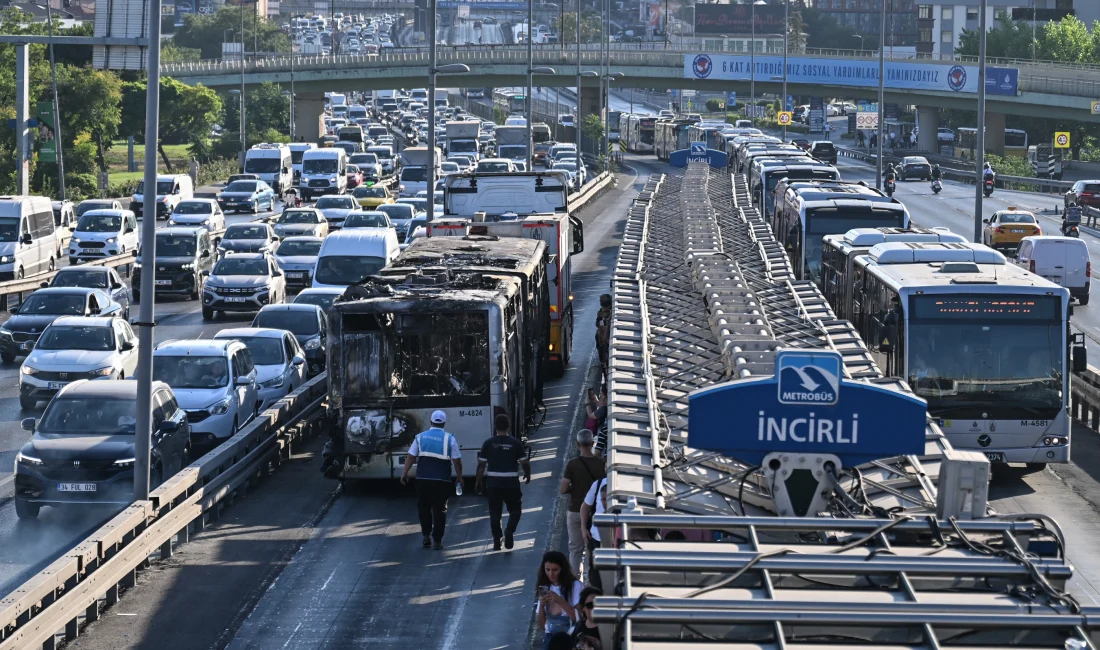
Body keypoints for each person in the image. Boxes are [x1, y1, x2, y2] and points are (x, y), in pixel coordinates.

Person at [400, 410, 463, 550]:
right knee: (440, 509)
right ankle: (438, 540)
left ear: (431, 422)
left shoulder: (420, 437)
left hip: (423, 479)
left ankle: (426, 536)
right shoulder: (449, 438)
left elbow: (411, 457)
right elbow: (457, 461)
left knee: (423, 507)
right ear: (444, 423)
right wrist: (459, 477)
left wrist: (404, 473)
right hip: (442, 480)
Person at [476, 413, 531, 551]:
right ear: (509, 426)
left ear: (495, 427)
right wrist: (527, 474)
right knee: (515, 510)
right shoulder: (515, 443)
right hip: (511, 482)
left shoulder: (488, 443)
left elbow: (481, 465)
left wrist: (478, 481)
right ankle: (509, 531)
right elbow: (525, 462)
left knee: (495, 512)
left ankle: (496, 539)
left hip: (494, 483)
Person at [561, 429, 605, 581]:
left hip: (574, 510)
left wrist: (575, 487)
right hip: (594, 514)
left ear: (577, 444)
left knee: (575, 550)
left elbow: (563, 488)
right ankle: (589, 582)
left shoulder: (572, 464)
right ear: (593, 444)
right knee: (591, 548)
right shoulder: (601, 464)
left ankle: (574, 583)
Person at [535, 550, 582, 650]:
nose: (551, 574)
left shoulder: (575, 586)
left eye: (555, 570)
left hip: (570, 636)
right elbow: (542, 626)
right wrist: (542, 606)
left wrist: (560, 601)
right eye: (547, 570)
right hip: (550, 637)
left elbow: (579, 618)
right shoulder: (545, 587)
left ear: (562, 569)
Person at [580, 476, 608, 591]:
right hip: (596, 538)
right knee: (595, 573)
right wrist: (583, 528)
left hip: (614, 541)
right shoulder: (598, 484)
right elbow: (585, 507)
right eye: (603, 499)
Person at [595, 294, 612, 369]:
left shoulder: (611, 310)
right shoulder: (600, 311)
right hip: (605, 329)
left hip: (608, 330)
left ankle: (603, 361)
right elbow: (597, 322)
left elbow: (597, 323)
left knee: (598, 337)